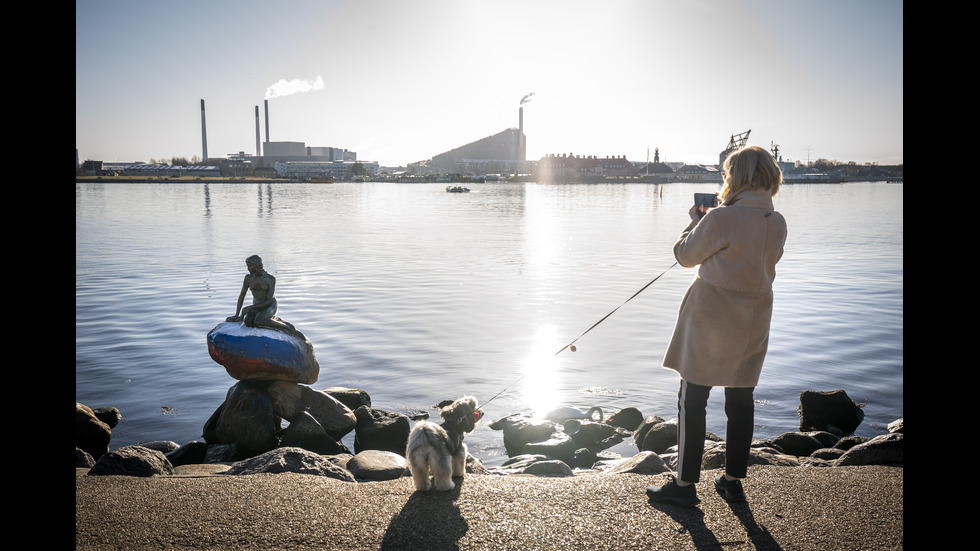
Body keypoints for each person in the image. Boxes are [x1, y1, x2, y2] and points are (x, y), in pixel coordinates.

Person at [646, 146, 788, 506]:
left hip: (711, 316)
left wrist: (696, 221)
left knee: (692, 398)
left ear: (735, 177)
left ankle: (683, 485)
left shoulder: (721, 218)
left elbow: (684, 256)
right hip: (754, 317)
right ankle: (733, 480)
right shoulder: (778, 221)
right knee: (740, 400)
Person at [226, 255, 302, 338]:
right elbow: (242, 296)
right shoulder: (248, 278)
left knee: (259, 321)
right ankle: (268, 320)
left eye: (249, 266)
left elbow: (269, 300)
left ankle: (287, 326)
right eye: (247, 266)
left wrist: (250, 308)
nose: (248, 269)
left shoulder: (270, 279)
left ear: (256, 265)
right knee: (247, 320)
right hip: (257, 307)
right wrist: (237, 315)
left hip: (269, 306)